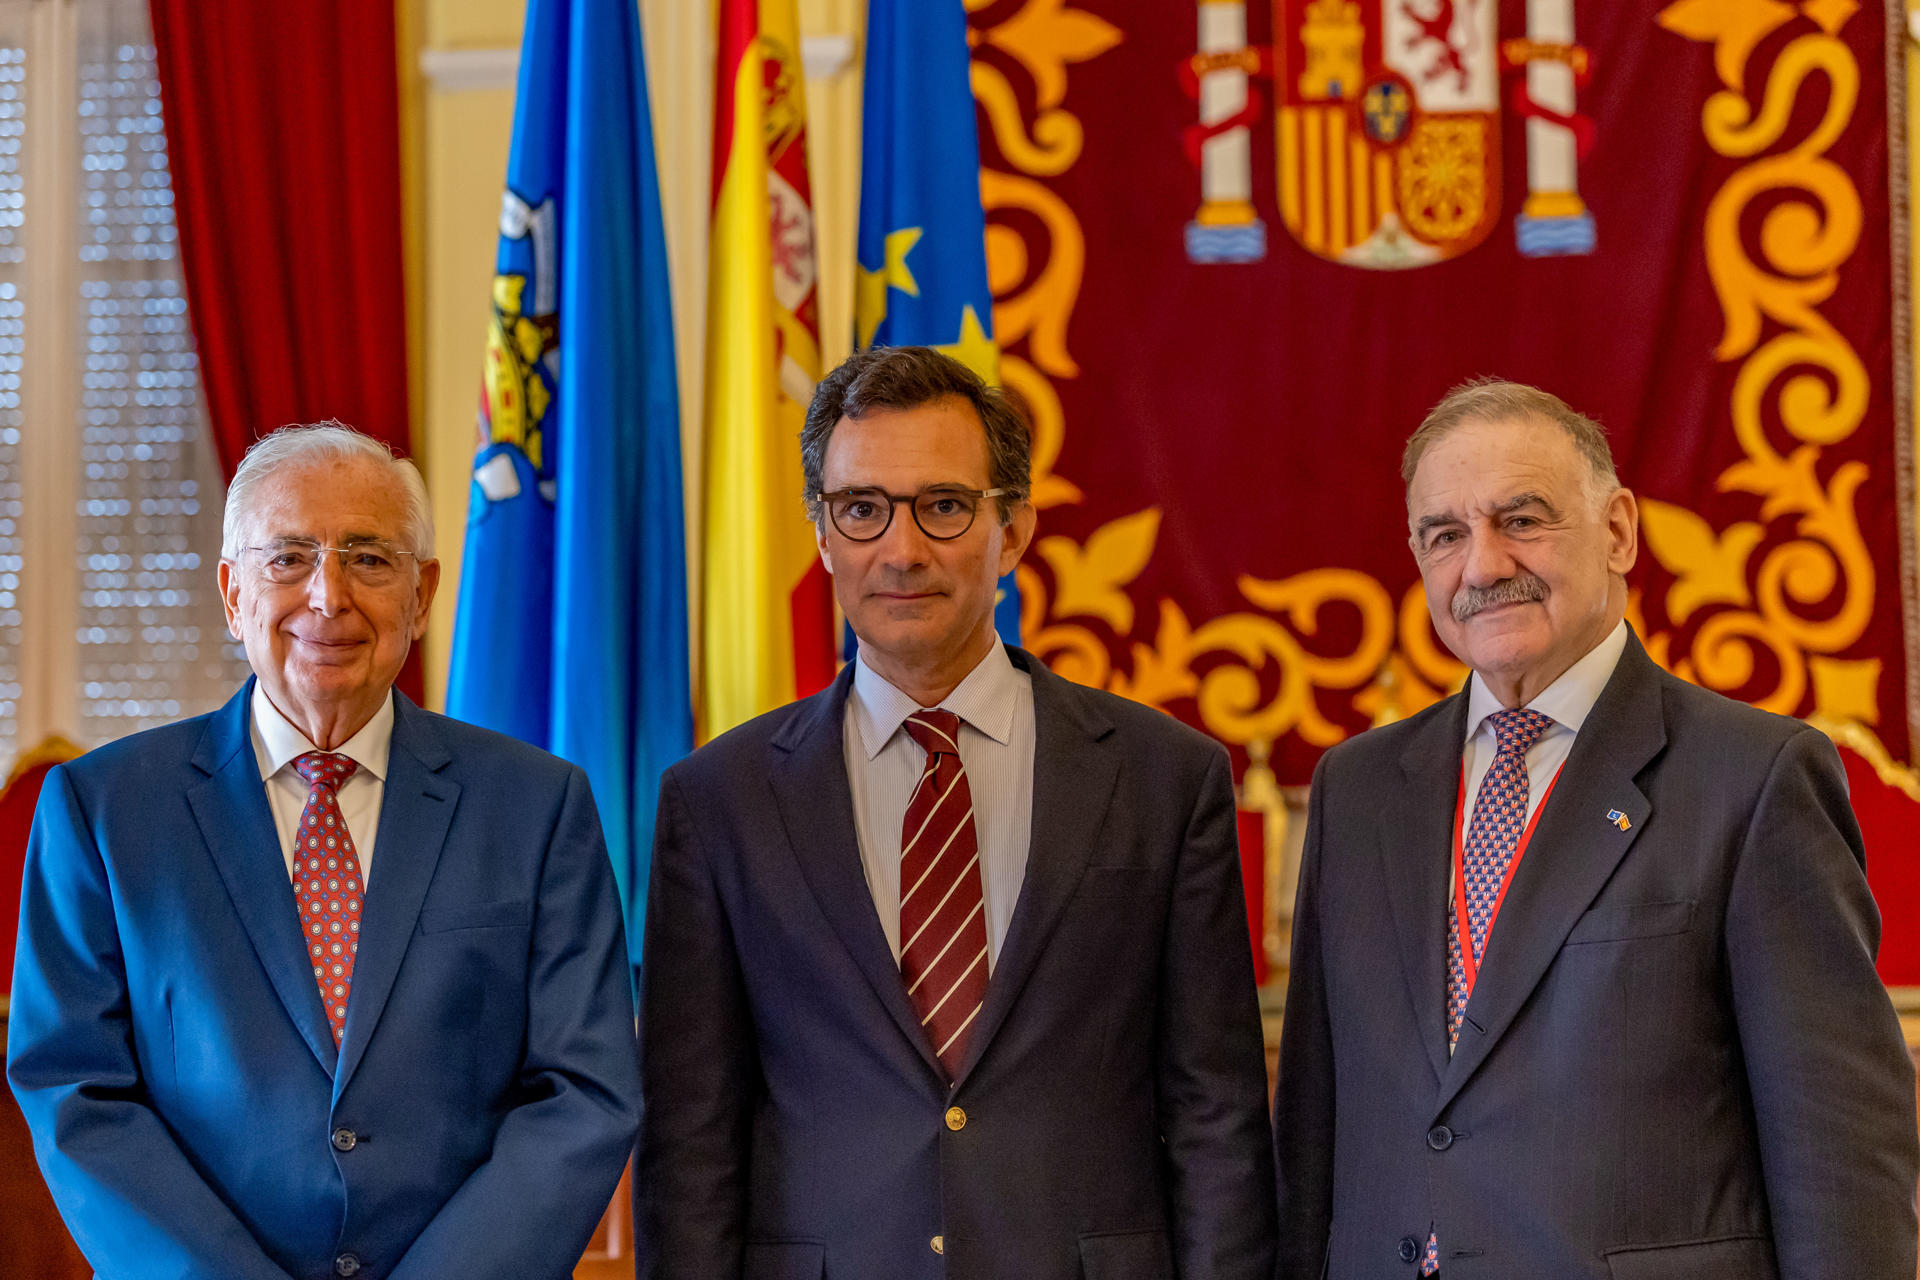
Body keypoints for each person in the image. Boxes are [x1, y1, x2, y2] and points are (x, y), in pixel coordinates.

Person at [636, 346, 1276, 1278]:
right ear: (821, 535)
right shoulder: (717, 801)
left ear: (1011, 532)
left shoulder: (1164, 779)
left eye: (942, 506)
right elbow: (691, 1139)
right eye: (862, 510)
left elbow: (1215, 1112)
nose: (901, 550)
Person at [1273, 379, 1920, 1279]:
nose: (1484, 566)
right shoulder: (1360, 787)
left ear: (1618, 530)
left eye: (1522, 519)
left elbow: (1842, 1153)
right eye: (1446, 535)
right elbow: (1314, 1126)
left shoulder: (1755, 777)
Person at [8, 424, 641, 1280]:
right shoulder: (104, 811)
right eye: (289, 558)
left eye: (369, 559)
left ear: (422, 596)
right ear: (233, 594)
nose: (328, 596)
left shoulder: (538, 807)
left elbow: (585, 1091)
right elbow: (75, 1087)